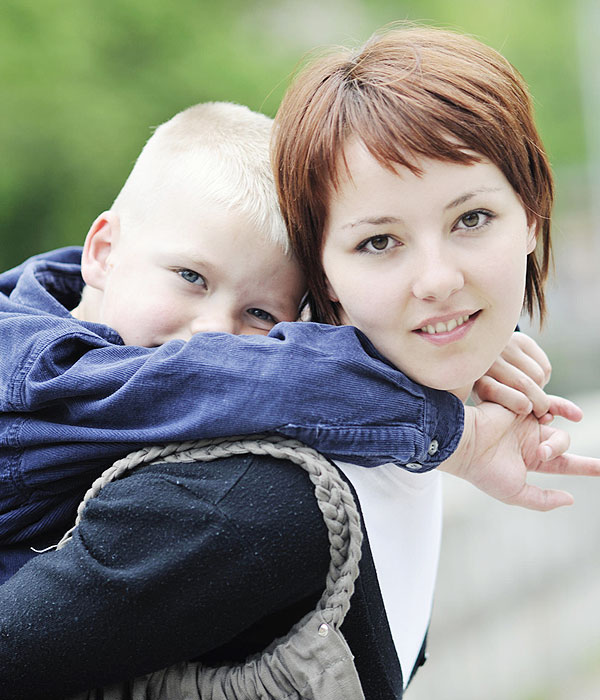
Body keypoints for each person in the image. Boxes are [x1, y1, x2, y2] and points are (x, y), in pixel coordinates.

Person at [0, 42, 597, 698]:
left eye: (473, 218)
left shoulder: (370, 449)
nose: (439, 280)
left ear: (534, 218)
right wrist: (452, 435)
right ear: (328, 278)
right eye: (379, 241)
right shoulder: (243, 504)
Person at [0, 100, 467, 583]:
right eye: (191, 277)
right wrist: (458, 435)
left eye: (260, 313)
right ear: (103, 252)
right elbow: (261, 381)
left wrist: (459, 344)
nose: (216, 332)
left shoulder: (113, 297)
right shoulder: (38, 368)